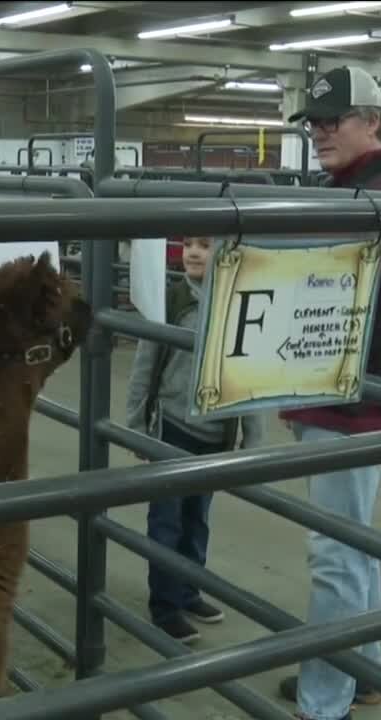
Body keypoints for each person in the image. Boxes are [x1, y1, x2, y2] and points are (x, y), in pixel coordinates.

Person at [276, 66, 381, 720]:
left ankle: (324, 703)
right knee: (353, 544)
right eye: (312, 123)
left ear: (372, 121)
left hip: (355, 404)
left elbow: (345, 259)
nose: (318, 132)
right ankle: (362, 672)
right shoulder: (350, 190)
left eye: (331, 120)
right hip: (335, 395)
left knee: (335, 553)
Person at [125, 235, 264, 644]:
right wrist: (135, 426)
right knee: (166, 521)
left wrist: (253, 436)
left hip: (216, 433)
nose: (193, 252)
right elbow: (144, 366)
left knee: (197, 520)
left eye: (205, 244)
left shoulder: (239, 303)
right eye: (188, 244)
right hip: (173, 428)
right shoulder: (170, 302)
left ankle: (188, 590)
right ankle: (165, 606)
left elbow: (250, 375)